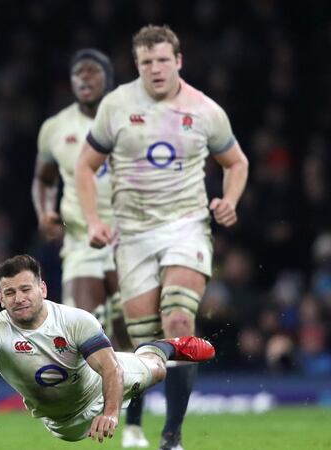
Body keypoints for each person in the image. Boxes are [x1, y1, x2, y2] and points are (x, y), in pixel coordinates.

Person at [75, 25, 249, 450]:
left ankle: (172, 437)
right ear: (137, 65)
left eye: (163, 60)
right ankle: (132, 421)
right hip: (132, 233)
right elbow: (85, 165)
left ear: (179, 61)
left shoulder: (205, 110)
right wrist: (95, 220)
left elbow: (236, 161)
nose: (155, 68)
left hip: (185, 225)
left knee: (177, 320)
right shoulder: (116, 106)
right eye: (146, 61)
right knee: (144, 340)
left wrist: (229, 199)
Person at [0, 254, 215, 444]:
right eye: (10, 292)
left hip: (99, 388)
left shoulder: (75, 321)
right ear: (0, 298)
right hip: (61, 424)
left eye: (26, 289)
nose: (19, 298)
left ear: (42, 289)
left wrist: (111, 414)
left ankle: (163, 347)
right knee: (72, 436)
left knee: (158, 370)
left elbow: (109, 368)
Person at [32, 48, 148, 448]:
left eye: (92, 72)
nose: (84, 78)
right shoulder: (55, 127)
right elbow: (44, 178)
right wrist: (46, 211)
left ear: (108, 79)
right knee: (82, 327)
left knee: (129, 332)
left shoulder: (131, 118)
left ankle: (132, 424)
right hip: (80, 239)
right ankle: (88, 413)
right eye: (77, 73)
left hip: (128, 238)